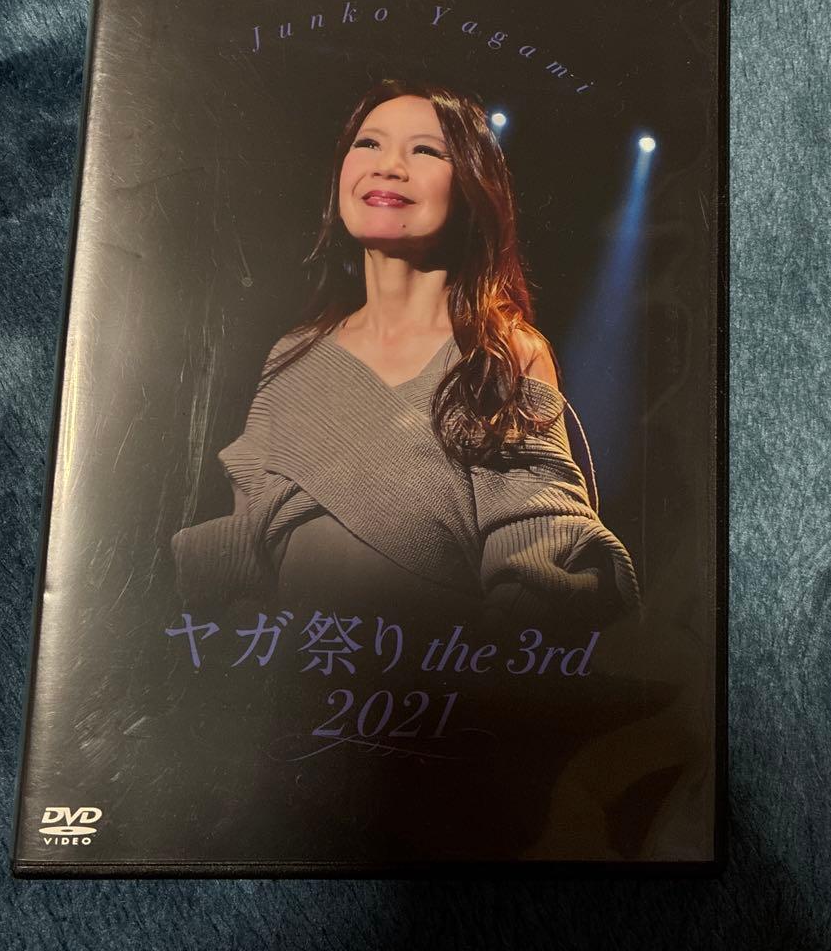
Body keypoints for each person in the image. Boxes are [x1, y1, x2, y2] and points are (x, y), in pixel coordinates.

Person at [170, 79, 642, 861]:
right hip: (297, 743)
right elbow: (246, 544)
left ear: (473, 188)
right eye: (369, 143)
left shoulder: (501, 352)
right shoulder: (291, 357)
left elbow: (539, 551)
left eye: (426, 150)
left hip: (441, 752)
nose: (389, 164)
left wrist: (448, 701)